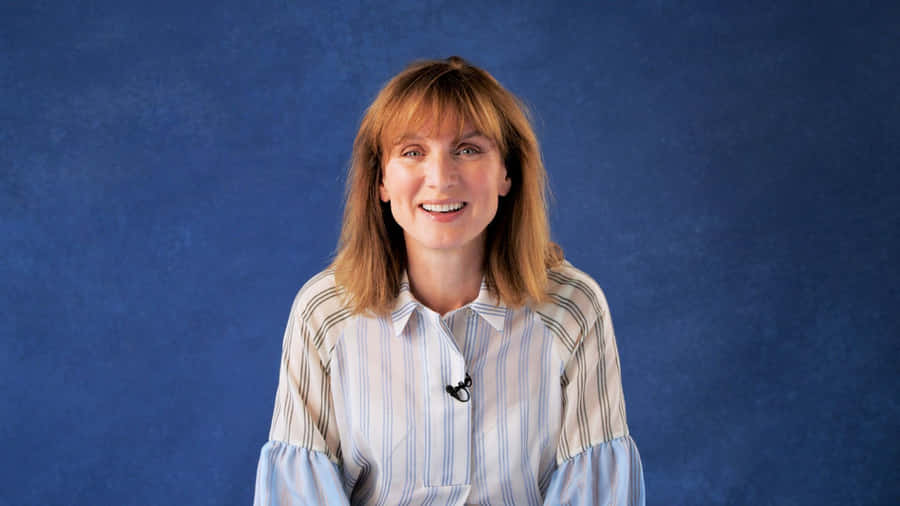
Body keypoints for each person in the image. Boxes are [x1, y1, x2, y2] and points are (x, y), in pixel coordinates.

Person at [253, 56, 645, 505]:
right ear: (381, 180)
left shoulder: (571, 308)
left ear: (507, 173)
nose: (440, 179)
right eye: (412, 152)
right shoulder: (324, 313)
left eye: (468, 149)